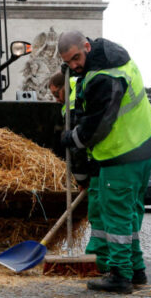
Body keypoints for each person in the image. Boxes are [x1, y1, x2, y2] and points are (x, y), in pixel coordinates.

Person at [58, 31, 151, 294]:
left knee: (116, 214)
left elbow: (97, 126)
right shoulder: (115, 60)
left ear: (87, 46)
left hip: (123, 153)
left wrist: (73, 138)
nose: (74, 66)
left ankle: (120, 275)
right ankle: (136, 270)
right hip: (143, 147)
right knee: (128, 213)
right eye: (69, 63)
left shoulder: (104, 78)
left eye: (77, 58)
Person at [49, 69, 107, 275]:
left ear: (66, 86)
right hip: (102, 161)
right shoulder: (77, 94)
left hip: (98, 163)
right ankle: (105, 259)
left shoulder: (72, 107)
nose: (56, 100)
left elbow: (77, 147)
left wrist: (82, 177)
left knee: (99, 211)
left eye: (57, 94)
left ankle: (98, 259)